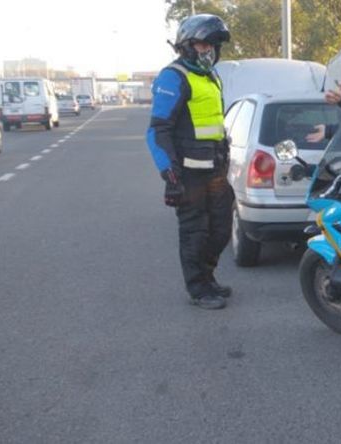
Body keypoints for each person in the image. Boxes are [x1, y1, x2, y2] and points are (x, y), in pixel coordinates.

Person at [146, 14, 233, 310]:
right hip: (189, 175)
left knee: (221, 229)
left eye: (213, 45)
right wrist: (170, 175)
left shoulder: (211, 76)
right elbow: (158, 130)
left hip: (216, 170)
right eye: (202, 44)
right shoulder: (174, 76)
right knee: (195, 232)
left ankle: (208, 277)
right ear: (186, 45)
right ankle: (198, 289)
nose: (209, 50)